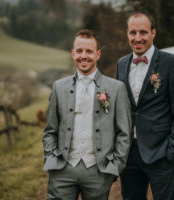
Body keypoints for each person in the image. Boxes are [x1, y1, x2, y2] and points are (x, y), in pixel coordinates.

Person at [43, 29, 132, 200]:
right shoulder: (58, 87)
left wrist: (114, 167)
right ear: (73, 53)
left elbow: (124, 133)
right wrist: (52, 158)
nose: (84, 56)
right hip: (62, 171)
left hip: (98, 172)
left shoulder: (116, 88)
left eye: (89, 51)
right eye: (79, 51)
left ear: (98, 54)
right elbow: (50, 130)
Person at [116, 12, 174, 200]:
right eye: (133, 33)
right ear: (127, 34)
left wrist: (172, 151)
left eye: (143, 32)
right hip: (129, 154)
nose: (138, 38)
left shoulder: (171, 63)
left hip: (160, 153)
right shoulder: (121, 64)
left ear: (153, 33)